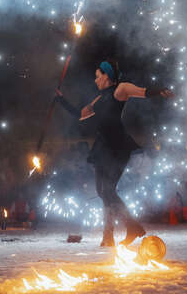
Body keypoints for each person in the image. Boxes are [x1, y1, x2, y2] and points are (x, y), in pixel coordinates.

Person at [56, 59, 174, 247]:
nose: (95, 81)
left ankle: (131, 227)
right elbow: (80, 114)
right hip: (102, 147)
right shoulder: (98, 98)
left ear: (107, 76)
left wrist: (160, 91)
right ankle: (111, 234)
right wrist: (60, 99)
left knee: (108, 191)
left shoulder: (120, 90)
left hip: (117, 146)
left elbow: (142, 92)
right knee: (102, 192)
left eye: (97, 77)